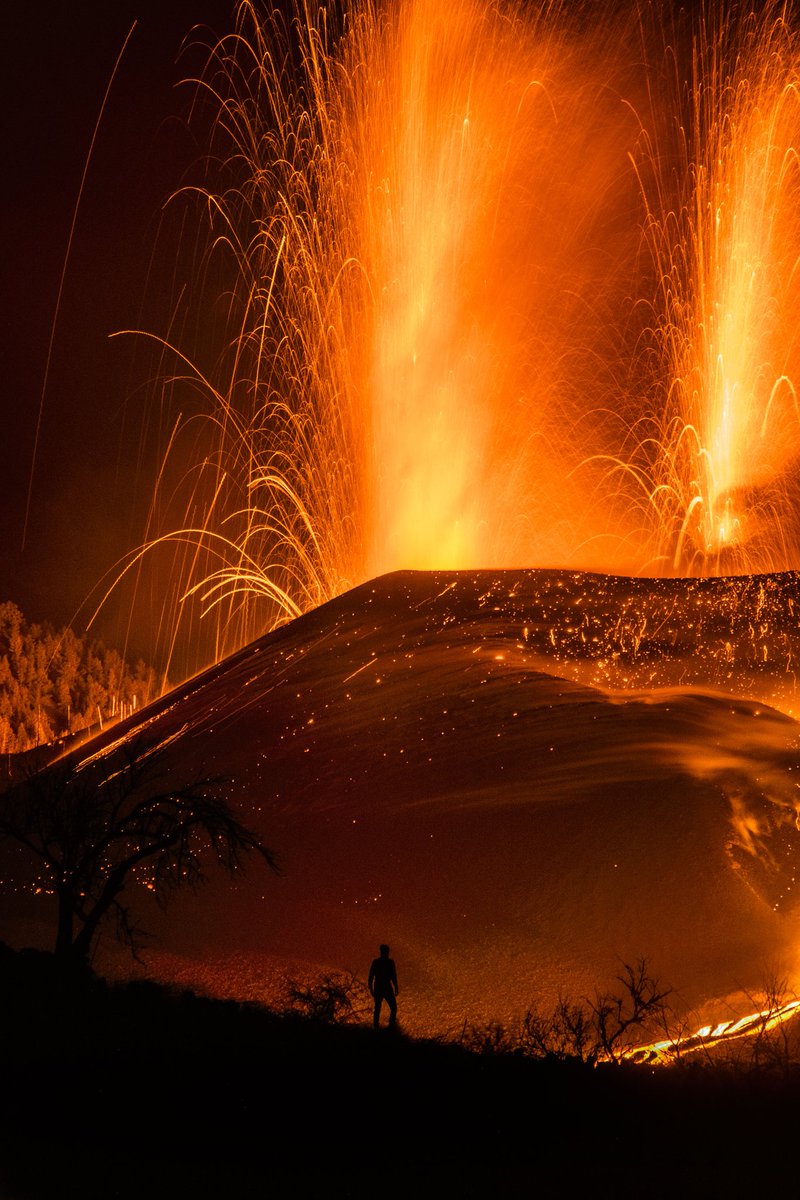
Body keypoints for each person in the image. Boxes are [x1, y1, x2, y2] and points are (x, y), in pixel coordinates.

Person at [368, 943, 399, 1029]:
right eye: (386, 951)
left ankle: (388, 1026)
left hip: (382, 987)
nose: (387, 953)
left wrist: (396, 986)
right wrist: (371, 988)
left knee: (388, 1008)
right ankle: (380, 1027)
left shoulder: (387, 962)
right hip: (382, 987)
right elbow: (371, 976)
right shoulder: (381, 962)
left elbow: (393, 975)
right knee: (380, 1007)